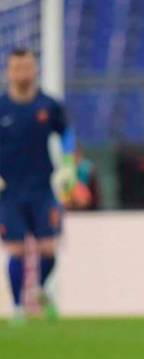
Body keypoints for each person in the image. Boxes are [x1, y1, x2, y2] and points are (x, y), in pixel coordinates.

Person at [0, 48, 76, 324]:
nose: (22, 73)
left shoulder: (48, 105)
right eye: (17, 68)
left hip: (42, 189)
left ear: (35, 70)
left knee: (48, 248)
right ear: (8, 72)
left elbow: (66, 134)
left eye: (27, 67)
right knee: (16, 250)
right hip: (9, 191)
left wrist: (67, 164)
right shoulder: (2, 107)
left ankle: (41, 290)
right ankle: (19, 307)